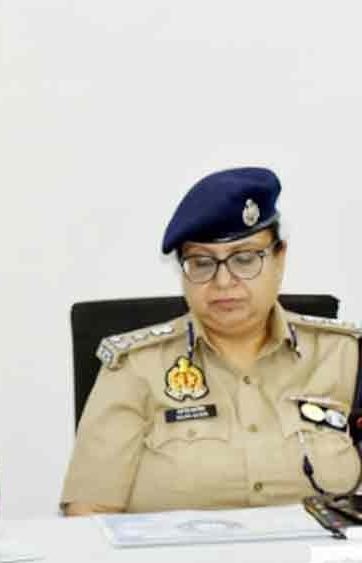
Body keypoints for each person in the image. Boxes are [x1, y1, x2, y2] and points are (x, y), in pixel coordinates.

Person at [62, 167, 360, 515]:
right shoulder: (135, 367)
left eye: (245, 259)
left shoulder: (345, 355)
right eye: (202, 263)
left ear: (280, 259)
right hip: (175, 552)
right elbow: (89, 513)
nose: (223, 282)